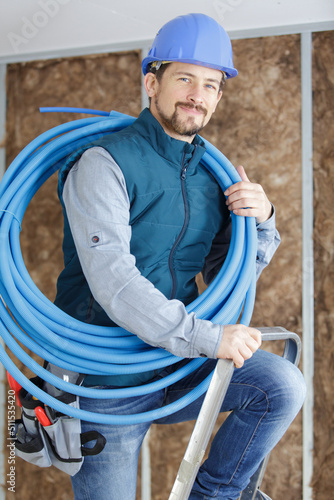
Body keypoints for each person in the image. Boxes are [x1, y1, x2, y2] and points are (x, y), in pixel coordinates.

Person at [55, 13, 306, 500]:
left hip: (177, 362)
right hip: (106, 381)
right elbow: (115, 283)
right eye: (185, 79)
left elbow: (229, 278)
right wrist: (207, 337)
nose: (198, 95)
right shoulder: (104, 164)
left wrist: (264, 220)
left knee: (281, 384)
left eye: (211, 84)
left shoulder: (213, 176)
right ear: (152, 83)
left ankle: (213, 496)